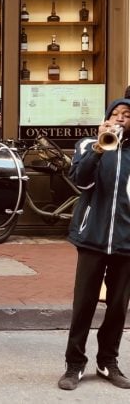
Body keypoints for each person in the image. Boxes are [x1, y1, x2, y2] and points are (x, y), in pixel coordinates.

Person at [57, 98, 130, 391]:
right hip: (92, 238)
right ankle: (74, 364)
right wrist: (100, 148)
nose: (120, 118)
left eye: (127, 114)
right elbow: (80, 181)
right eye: (115, 114)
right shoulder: (89, 145)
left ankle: (107, 361)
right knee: (83, 304)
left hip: (126, 241)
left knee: (117, 307)